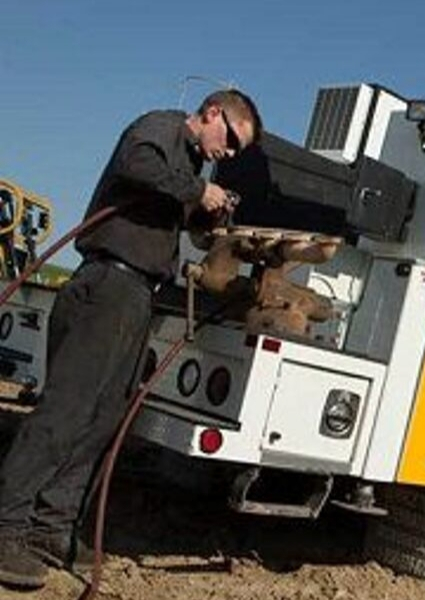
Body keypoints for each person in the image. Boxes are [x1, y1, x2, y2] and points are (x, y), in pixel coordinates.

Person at [0, 90, 261, 589]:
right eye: (230, 139)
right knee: (65, 412)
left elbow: (176, 207)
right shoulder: (161, 128)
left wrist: (210, 211)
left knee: (102, 420)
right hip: (107, 286)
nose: (229, 153)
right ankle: (7, 526)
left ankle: (51, 527)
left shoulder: (188, 164)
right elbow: (136, 165)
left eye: (237, 151)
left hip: (137, 294)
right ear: (212, 114)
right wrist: (195, 191)